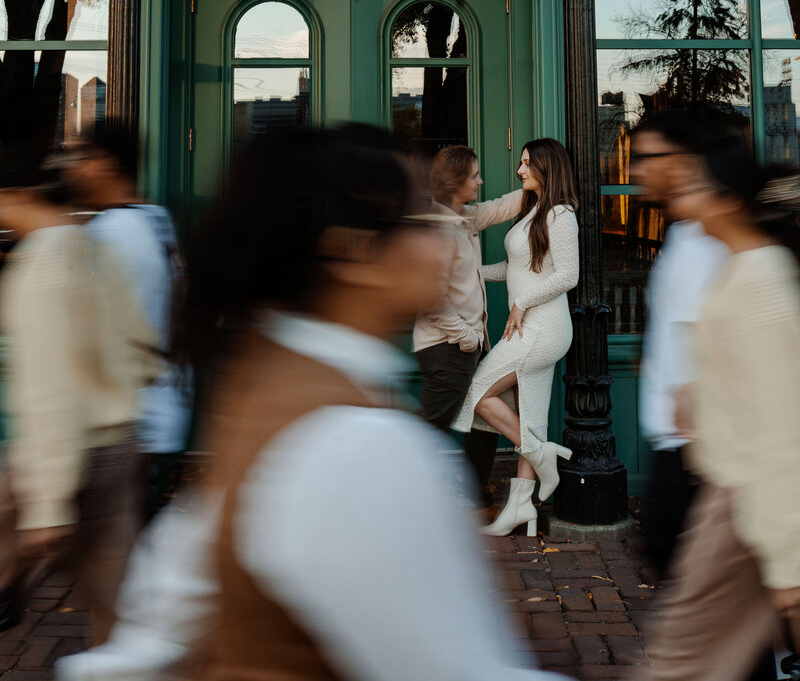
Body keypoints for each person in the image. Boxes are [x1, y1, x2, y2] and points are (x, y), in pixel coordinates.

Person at [56, 125, 563, 681]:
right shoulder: (364, 447)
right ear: (354, 251)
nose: (438, 241)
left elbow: (151, 635)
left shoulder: (261, 389)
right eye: (415, 222)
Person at [648, 141, 800, 681]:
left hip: (745, 511)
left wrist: (786, 566)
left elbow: (781, 430)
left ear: (729, 201)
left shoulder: (758, 281)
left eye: (696, 187)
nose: (682, 199)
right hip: (734, 501)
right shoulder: (744, 271)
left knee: (681, 663)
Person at [0, 146, 161, 644]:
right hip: (119, 442)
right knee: (116, 609)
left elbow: (50, 391)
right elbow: (145, 350)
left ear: (14, 195)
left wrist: (47, 505)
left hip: (68, 457)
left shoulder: (38, 269)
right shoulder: (91, 247)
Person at [452, 138, 578, 537]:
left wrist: (522, 302)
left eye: (527, 164)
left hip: (544, 328)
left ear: (546, 167)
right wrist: (473, 274)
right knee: (532, 417)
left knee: (477, 393)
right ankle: (521, 506)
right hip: (527, 327)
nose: (520, 170)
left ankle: (542, 456)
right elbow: (516, 267)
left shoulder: (560, 214)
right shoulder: (533, 210)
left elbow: (567, 276)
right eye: (521, 163)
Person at [65, 127, 193, 517]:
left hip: (124, 416)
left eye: (83, 159)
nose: (75, 169)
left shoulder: (108, 235)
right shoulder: (155, 218)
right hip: (157, 406)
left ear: (107, 165)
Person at [631, 109, 730, 576]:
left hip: (696, 450)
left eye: (649, 157)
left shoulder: (710, 239)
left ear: (685, 161)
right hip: (677, 443)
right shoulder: (682, 232)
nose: (636, 169)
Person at [413, 145, 522, 503]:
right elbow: (431, 299)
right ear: (457, 181)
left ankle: (474, 493)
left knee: (484, 418)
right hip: (446, 348)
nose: (480, 180)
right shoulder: (439, 229)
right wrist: (468, 339)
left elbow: (502, 206)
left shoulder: (462, 218)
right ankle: (402, 495)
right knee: (430, 429)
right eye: (474, 175)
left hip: (464, 344)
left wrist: (544, 180)